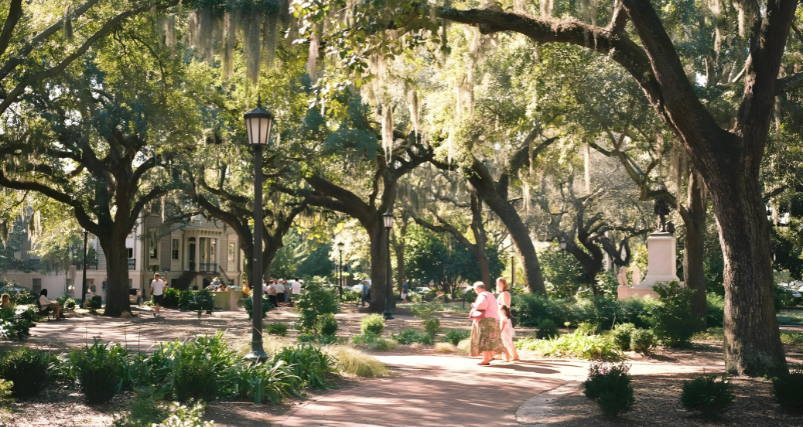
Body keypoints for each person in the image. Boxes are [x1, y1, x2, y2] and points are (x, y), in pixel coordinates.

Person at [469, 281, 504, 365]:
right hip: (494, 318)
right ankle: (489, 356)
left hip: (486, 320)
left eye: (475, 290)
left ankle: (486, 359)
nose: (475, 292)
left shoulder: (482, 295)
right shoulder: (490, 294)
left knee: (484, 339)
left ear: (477, 289)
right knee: (489, 339)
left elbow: (482, 305)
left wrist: (474, 305)